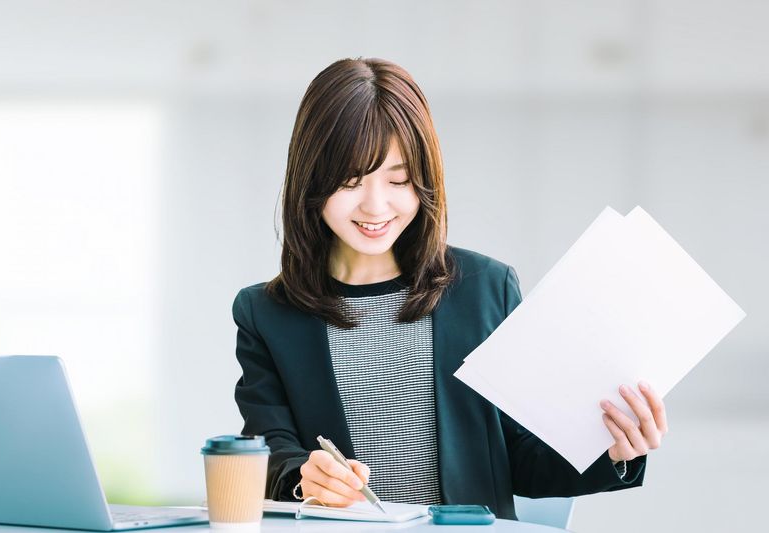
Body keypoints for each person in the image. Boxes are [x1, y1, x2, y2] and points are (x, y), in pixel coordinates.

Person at [232, 57, 668, 519]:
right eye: (350, 181)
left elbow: (521, 458)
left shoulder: (485, 290)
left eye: (398, 180)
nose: (376, 205)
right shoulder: (266, 314)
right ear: (311, 181)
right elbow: (267, 452)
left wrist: (615, 452)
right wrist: (304, 477)